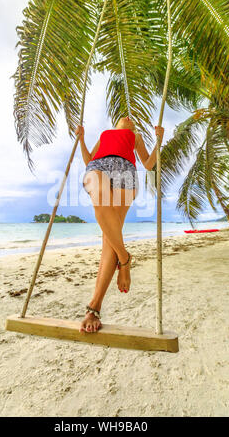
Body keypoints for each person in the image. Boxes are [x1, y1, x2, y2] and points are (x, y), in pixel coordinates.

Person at [75, 117, 164, 333]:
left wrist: (158, 141)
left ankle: (94, 308)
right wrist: (81, 139)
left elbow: (148, 163)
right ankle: (124, 259)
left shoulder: (136, 136)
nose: (129, 117)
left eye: (133, 119)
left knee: (109, 240)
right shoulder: (105, 134)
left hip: (126, 171)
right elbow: (89, 159)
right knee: (99, 200)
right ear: (115, 123)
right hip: (98, 166)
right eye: (124, 116)